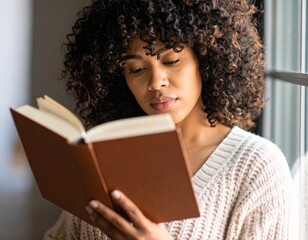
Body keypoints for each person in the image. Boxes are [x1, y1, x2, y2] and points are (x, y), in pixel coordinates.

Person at [44, 0, 296, 239]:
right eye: (137, 70)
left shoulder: (256, 166)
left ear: (206, 58)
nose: (155, 83)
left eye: (172, 60)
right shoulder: (104, 154)